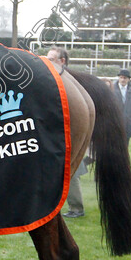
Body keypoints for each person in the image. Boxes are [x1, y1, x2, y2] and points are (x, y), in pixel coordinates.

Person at [45, 47, 86, 218]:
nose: (47, 62)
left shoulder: (68, 82)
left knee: (71, 172)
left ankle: (76, 207)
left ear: (62, 61)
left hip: (68, 135)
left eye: (51, 59)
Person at [111, 68, 131, 147]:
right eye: (121, 77)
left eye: (125, 78)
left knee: (124, 146)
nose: (123, 80)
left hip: (128, 124)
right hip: (114, 123)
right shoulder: (111, 89)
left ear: (128, 79)